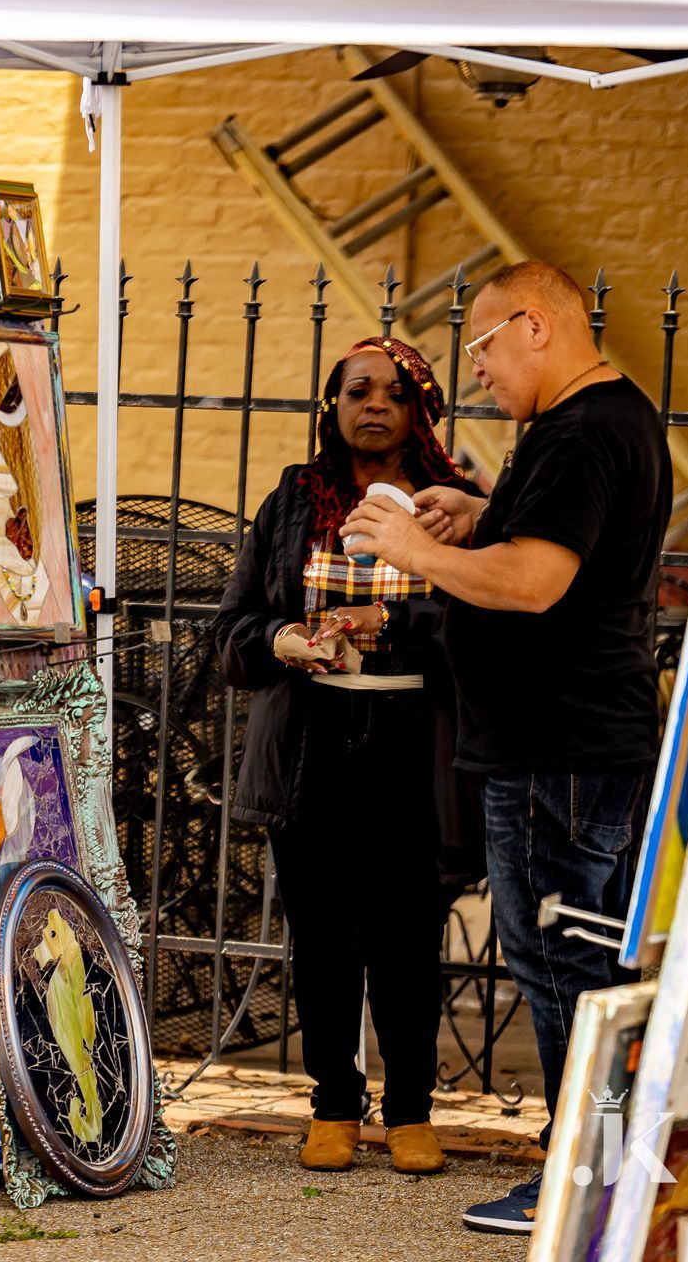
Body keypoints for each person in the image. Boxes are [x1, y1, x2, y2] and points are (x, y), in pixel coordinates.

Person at [339, 261, 671, 1234]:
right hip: (581, 741)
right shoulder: (610, 417)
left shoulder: (578, 430)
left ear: (533, 324)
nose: (474, 372)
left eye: (480, 348)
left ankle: (583, 1180)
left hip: (553, 749)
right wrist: (480, 516)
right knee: (592, 962)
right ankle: (607, 1167)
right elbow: (567, 545)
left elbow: (534, 583)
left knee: (562, 963)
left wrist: (416, 549)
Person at [214, 336, 483, 1176]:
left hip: (415, 744)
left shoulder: (454, 506)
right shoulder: (293, 500)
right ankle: (334, 1106)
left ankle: (409, 1111)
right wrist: (285, 639)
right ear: (331, 407)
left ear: (418, 412)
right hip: (309, 743)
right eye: (356, 390)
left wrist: (389, 626)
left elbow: (483, 632)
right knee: (322, 934)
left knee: (407, 934)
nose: (374, 404)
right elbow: (229, 636)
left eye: (394, 393)